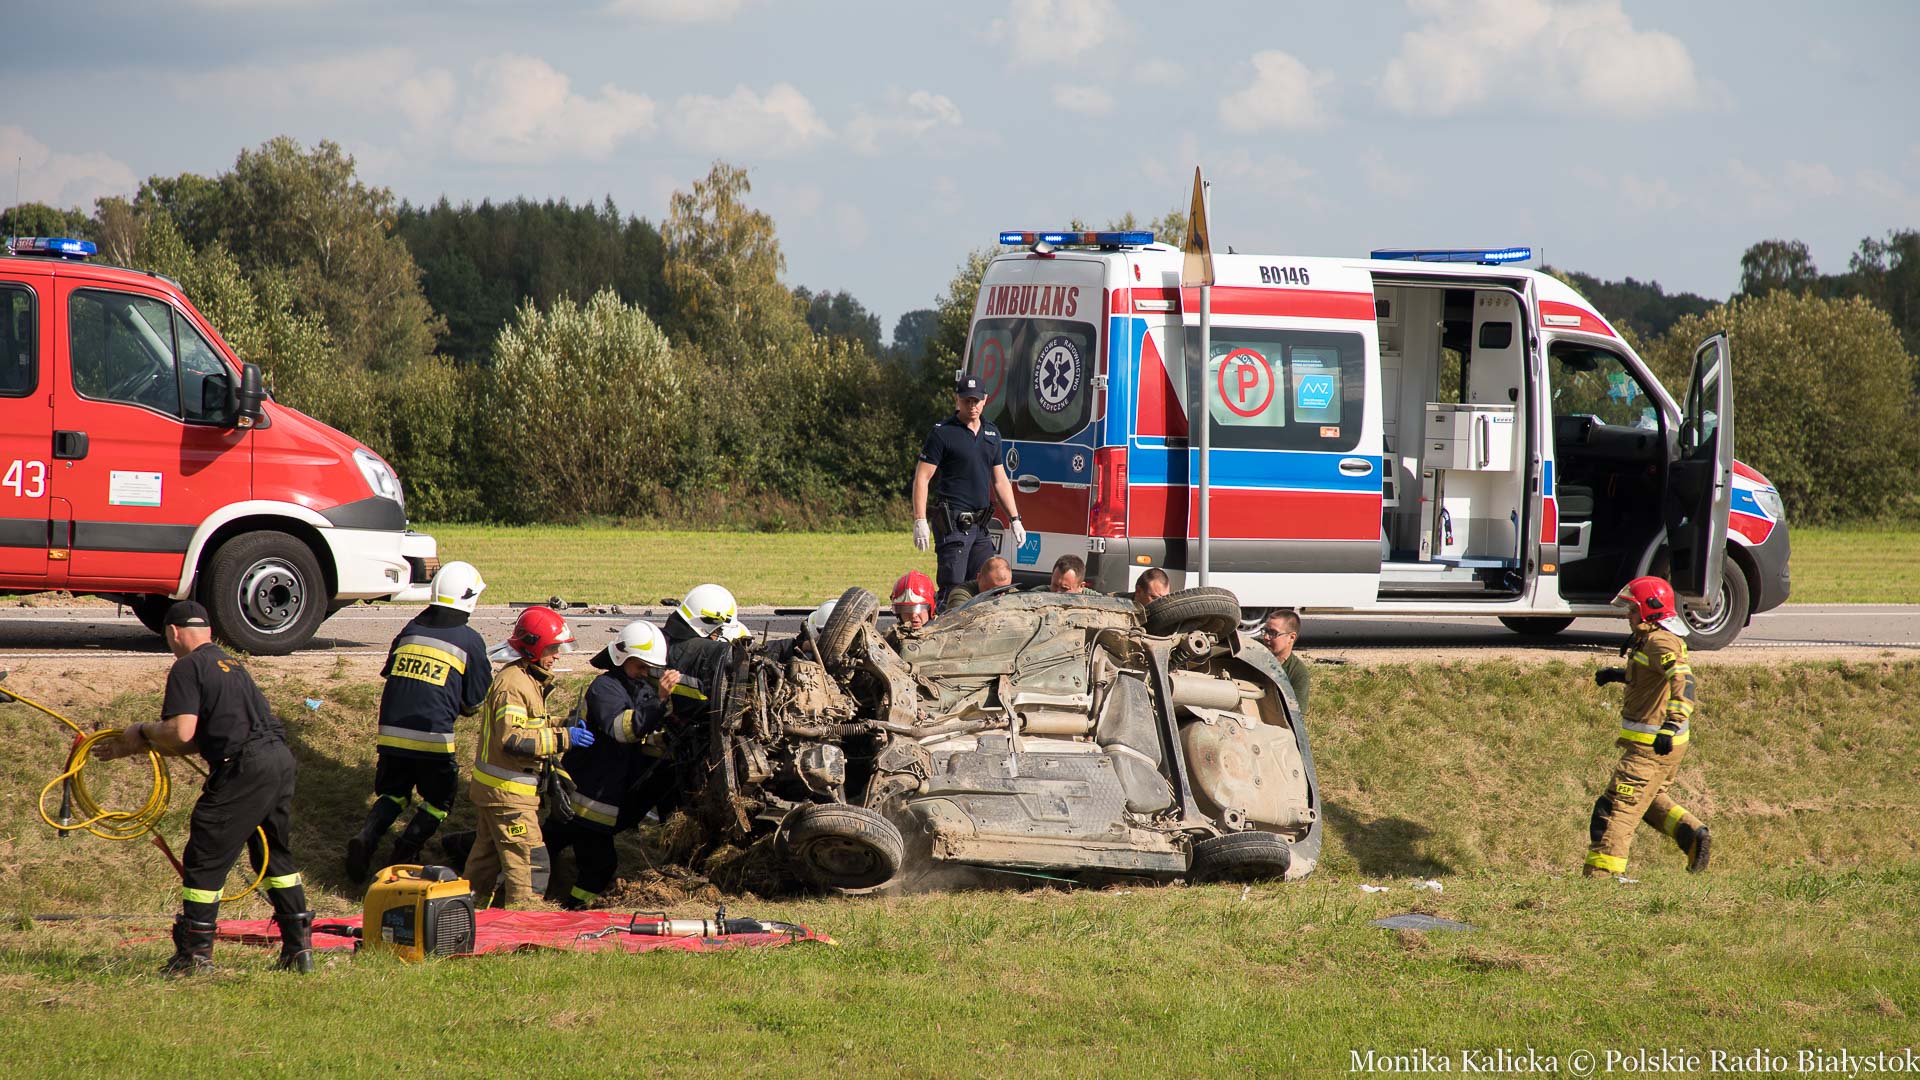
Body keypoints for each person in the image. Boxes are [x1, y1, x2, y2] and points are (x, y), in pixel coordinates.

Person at [94, 601, 313, 975]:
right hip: (278, 760)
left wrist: (143, 730)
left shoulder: (187, 666)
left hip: (245, 768)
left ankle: (194, 957)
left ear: (173, 632)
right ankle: (299, 952)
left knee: (204, 858)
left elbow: (180, 730)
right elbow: (198, 737)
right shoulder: (231, 665)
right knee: (273, 855)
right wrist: (137, 744)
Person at [344, 561, 492, 883]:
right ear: (470, 598)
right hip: (432, 737)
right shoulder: (470, 641)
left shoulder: (411, 628)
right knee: (440, 800)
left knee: (394, 794)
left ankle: (366, 838)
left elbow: (391, 673)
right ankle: (403, 853)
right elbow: (474, 702)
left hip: (390, 733)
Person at [466, 606, 593, 909]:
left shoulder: (525, 680)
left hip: (499, 792)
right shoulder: (514, 686)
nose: (558, 655)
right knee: (530, 861)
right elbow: (514, 739)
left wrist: (563, 724)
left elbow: (530, 725)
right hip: (509, 795)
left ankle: (464, 914)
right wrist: (566, 738)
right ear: (533, 646)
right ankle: (525, 920)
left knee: (484, 863)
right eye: (552, 647)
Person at [1585, 576, 1711, 878]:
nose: (1627, 616)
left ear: (1649, 611)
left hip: (1651, 747)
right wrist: (1619, 675)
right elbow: (1649, 675)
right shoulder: (1649, 639)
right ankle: (1691, 834)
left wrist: (1672, 724)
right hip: (1654, 747)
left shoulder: (1661, 641)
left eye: (1632, 611)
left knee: (1615, 809)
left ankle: (1601, 880)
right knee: (1647, 799)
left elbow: (1683, 681)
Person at [547, 620, 677, 909]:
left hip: (600, 794)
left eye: (648, 668)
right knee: (600, 865)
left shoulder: (637, 687)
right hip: (588, 795)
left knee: (550, 842)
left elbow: (646, 733)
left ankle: (465, 848)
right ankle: (572, 909)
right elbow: (623, 729)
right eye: (640, 666)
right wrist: (659, 701)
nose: (645, 673)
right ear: (621, 657)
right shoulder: (604, 688)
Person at [913, 374, 1026, 608]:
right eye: (966, 400)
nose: (972, 405)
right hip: (953, 522)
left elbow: (1000, 480)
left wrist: (1015, 519)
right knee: (953, 586)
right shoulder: (943, 432)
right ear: (957, 400)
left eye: (976, 400)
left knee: (988, 584)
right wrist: (920, 519)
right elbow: (922, 477)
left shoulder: (992, 434)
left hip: (980, 525)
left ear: (985, 400)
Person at [1258, 609, 1312, 714]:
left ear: (1291, 638)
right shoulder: (1253, 655)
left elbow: (1296, 717)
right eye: (1265, 631)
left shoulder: (1298, 673)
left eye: (1273, 633)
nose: (1266, 637)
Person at [945, 556, 1012, 608]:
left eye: (1005, 590)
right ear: (979, 577)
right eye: (992, 591)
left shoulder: (1012, 593)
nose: (1000, 596)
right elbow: (959, 620)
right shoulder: (961, 594)